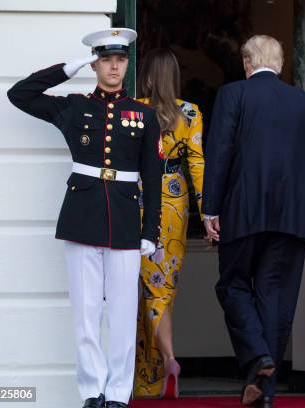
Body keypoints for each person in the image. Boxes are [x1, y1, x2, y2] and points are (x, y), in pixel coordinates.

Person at [7, 28, 163, 408]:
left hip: (126, 221)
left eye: (120, 59)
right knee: (86, 315)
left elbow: (153, 178)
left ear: (127, 64)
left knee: (123, 317)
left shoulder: (144, 115)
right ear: (95, 63)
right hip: (82, 217)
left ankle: (117, 395)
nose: (113, 66)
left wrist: (151, 231)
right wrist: (66, 69)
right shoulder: (74, 107)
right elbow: (20, 94)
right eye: (105, 59)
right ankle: (92, 392)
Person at [202, 35, 305, 408]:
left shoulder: (232, 94)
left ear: (246, 62)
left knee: (233, 286)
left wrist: (210, 210)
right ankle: (264, 394)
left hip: (243, 214)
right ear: (281, 63)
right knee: (276, 302)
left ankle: (258, 358)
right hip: (293, 219)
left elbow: (219, 152)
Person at [132, 48, 205, 399]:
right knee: (164, 291)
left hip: (140, 202)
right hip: (175, 203)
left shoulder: (133, 109)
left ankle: (153, 372)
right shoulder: (189, 113)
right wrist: (207, 213)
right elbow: (197, 166)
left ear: (146, 76)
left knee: (144, 290)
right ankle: (162, 369)